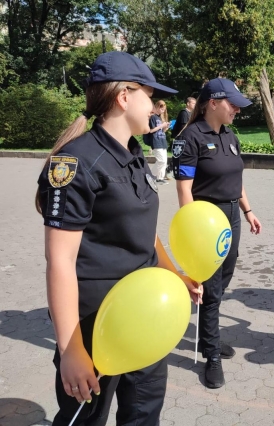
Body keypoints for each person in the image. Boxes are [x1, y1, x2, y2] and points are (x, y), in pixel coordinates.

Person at [35, 51, 200, 426]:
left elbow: (142, 230)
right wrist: (71, 348)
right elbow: (59, 261)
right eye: (149, 94)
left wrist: (175, 274)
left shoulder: (134, 153)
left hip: (145, 314)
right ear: (124, 97)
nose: (158, 105)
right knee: (86, 417)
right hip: (96, 322)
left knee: (143, 413)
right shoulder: (75, 164)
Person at [172, 78, 262, 389]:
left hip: (232, 216)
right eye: (232, 103)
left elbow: (236, 180)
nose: (237, 109)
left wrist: (248, 211)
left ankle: (207, 334)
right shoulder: (190, 138)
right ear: (212, 102)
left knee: (224, 276)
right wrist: (193, 228)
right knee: (209, 288)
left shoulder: (230, 136)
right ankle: (210, 353)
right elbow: (184, 189)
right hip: (205, 220)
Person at [148, 100, 170, 183]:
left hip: (162, 141)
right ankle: (151, 175)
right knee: (161, 161)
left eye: (164, 109)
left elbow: (161, 131)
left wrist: (165, 128)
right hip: (156, 141)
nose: (162, 111)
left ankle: (160, 178)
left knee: (164, 161)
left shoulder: (160, 118)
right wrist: (162, 125)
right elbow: (151, 130)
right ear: (157, 107)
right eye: (161, 108)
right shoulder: (153, 117)